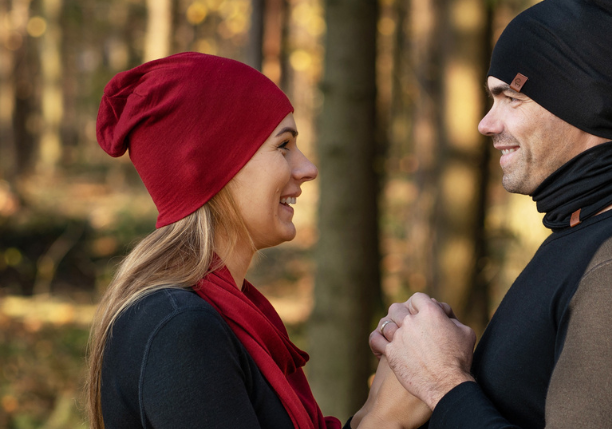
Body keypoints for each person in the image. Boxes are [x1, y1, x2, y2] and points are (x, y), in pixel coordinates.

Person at [370, 0, 612, 428]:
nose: (486, 123)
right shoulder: (584, 238)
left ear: (581, 102)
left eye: (511, 98)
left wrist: (440, 383)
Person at [86, 52, 431, 429]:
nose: (308, 168)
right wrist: (383, 422)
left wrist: (379, 403)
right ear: (213, 166)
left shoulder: (221, 311)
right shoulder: (181, 329)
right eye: (283, 145)